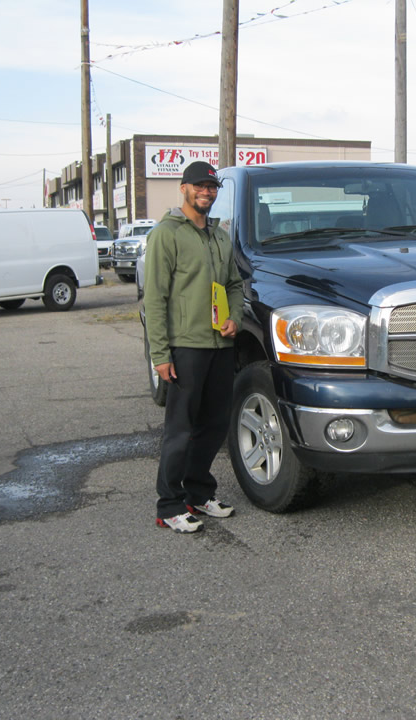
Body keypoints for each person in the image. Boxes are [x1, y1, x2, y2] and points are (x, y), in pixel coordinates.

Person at [143, 161, 244, 534]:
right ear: (184, 188)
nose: (207, 191)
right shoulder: (166, 235)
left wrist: (234, 315)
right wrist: (160, 354)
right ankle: (169, 504)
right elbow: (154, 299)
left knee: (214, 424)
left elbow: (234, 284)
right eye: (200, 186)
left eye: (212, 186)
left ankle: (198, 493)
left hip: (220, 343)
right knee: (180, 429)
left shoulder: (219, 236)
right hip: (186, 346)